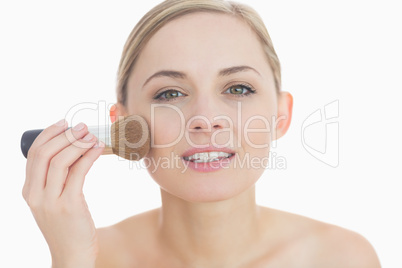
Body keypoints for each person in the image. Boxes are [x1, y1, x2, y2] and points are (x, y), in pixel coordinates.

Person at [22, 0, 381, 267]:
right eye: (170, 94)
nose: (206, 119)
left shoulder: (344, 258)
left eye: (238, 88)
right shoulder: (89, 257)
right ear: (123, 127)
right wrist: (69, 260)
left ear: (280, 115)